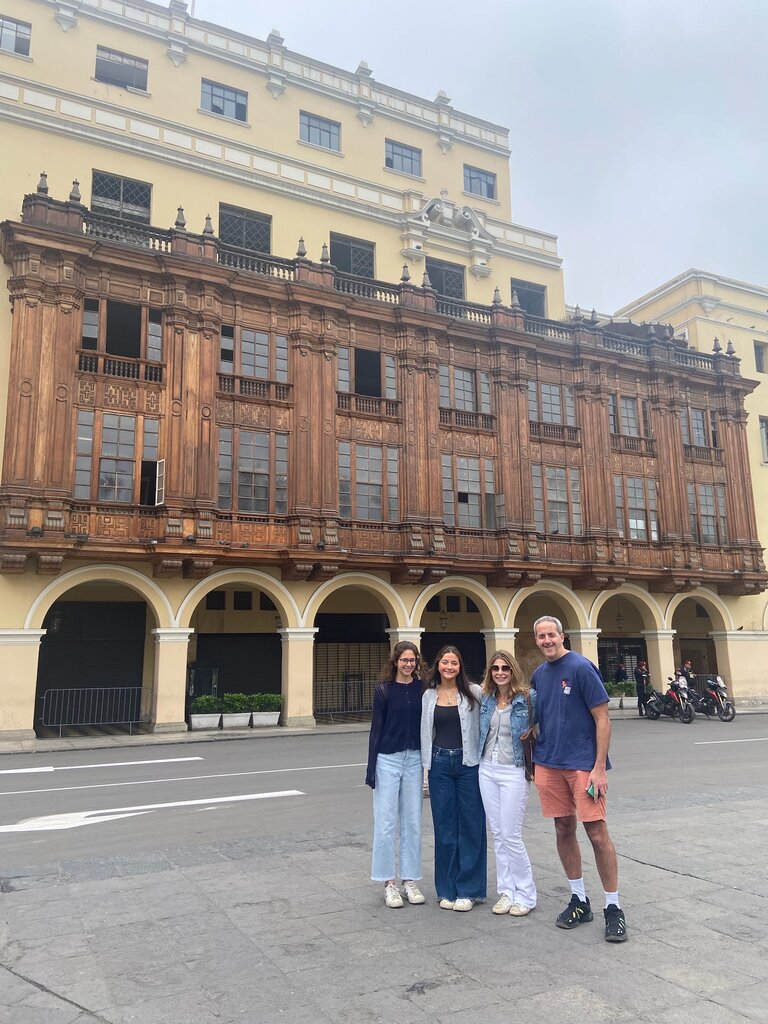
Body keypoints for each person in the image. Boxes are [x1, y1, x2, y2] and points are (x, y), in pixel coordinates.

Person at [530, 616, 628, 943]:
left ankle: (613, 906)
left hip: (583, 765)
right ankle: (579, 899)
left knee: (597, 833)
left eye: (551, 635)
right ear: (537, 640)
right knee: (563, 829)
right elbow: (540, 717)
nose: (547, 640)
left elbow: (603, 719)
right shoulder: (539, 675)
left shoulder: (582, 667)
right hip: (549, 762)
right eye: (541, 636)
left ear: (562, 636)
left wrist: (599, 767)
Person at [421, 645, 486, 912]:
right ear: (438, 665)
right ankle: (446, 889)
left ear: (460, 667)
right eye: (445, 662)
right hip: (439, 764)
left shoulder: (474, 692)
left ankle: (469, 890)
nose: (449, 667)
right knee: (444, 827)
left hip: (468, 763)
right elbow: (423, 731)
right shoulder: (428, 695)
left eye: (454, 663)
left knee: (471, 826)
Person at [365, 641, 426, 909]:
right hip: (387, 759)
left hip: (414, 759)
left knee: (412, 821)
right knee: (386, 821)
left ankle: (409, 879)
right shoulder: (384, 690)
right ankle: (388, 882)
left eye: (412, 660)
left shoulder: (423, 689)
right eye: (404, 660)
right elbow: (376, 730)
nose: (408, 664)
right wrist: (371, 770)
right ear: (396, 662)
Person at [478, 650, 538, 916]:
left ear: (513, 671)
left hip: (514, 770)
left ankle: (526, 894)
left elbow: (547, 723)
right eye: (495, 668)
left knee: (511, 834)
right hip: (487, 769)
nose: (500, 672)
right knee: (498, 834)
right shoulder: (486, 698)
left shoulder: (528, 698)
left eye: (505, 668)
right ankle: (506, 891)